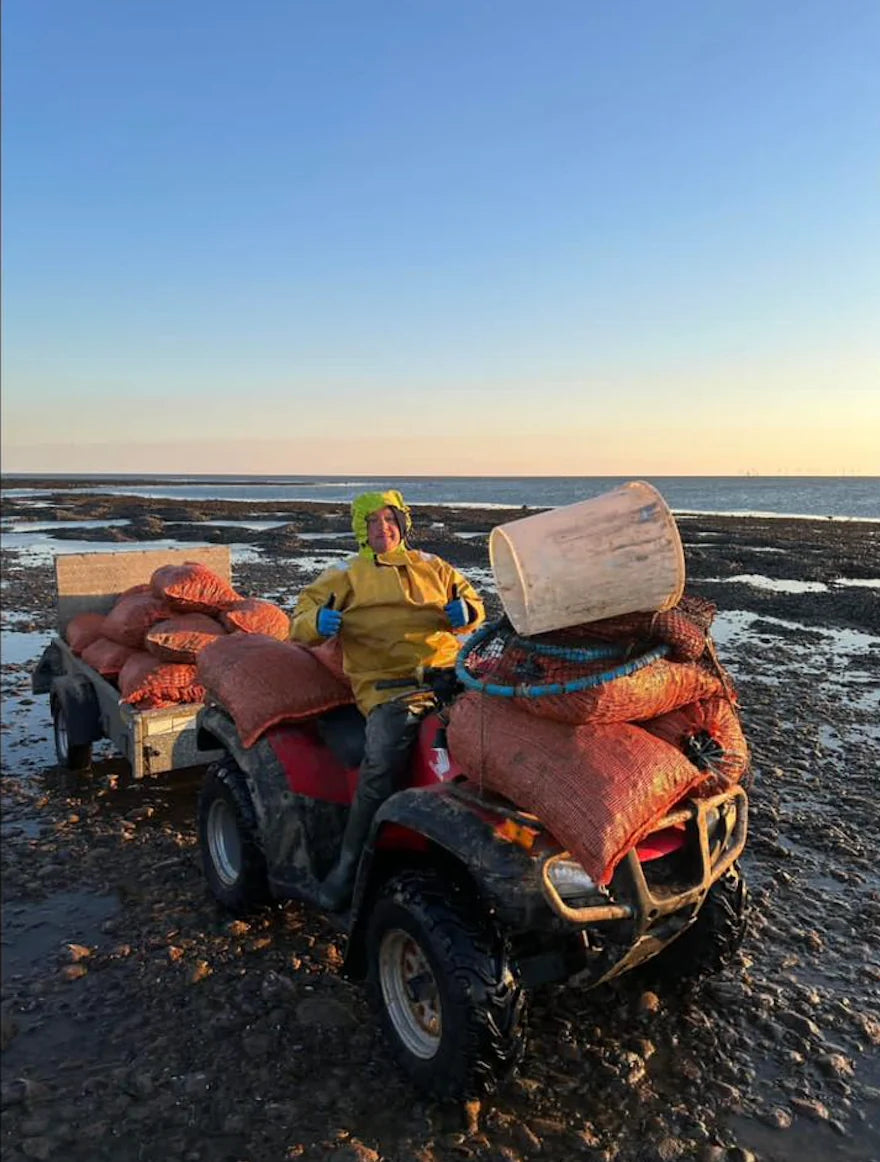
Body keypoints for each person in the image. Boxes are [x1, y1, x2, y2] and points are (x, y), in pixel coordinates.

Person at [290, 489, 485, 910]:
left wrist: (467, 611)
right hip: (389, 689)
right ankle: (350, 866)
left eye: (390, 521)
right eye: (373, 523)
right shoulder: (345, 575)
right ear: (362, 529)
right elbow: (299, 618)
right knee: (381, 764)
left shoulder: (433, 566)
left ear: (403, 524)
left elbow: (472, 598)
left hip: (451, 676)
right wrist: (316, 622)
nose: (383, 530)